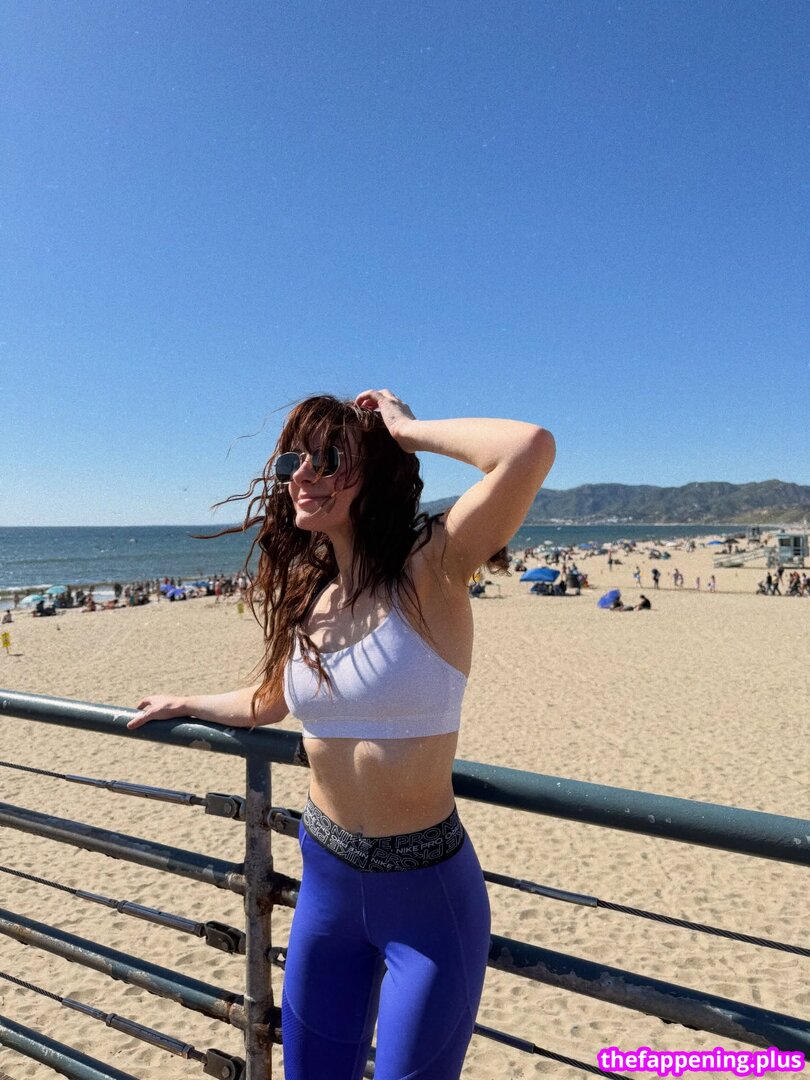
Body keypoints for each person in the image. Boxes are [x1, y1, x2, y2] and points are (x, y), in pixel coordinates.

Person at [127, 390, 555, 1080]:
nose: (303, 474)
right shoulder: (313, 597)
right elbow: (270, 702)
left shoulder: (433, 567)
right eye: (295, 460)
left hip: (427, 897)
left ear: (375, 468)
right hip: (325, 882)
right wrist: (187, 701)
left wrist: (405, 429)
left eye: (329, 459)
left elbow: (528, 449)